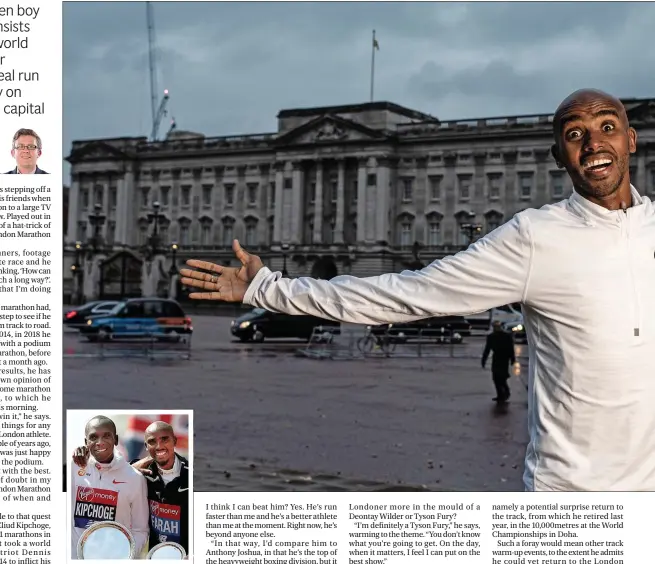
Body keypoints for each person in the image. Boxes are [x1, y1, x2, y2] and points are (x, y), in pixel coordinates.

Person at [179, 89, 655, 492]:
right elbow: (403, 294)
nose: (594, 143)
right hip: (571, 497)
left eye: (608, 127)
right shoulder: (534, 238)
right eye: (575, 134)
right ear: (558, 156)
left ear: (631, 140)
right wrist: (267, 288)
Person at [70, 415, 150, 558]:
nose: (100, 442)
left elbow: (141, 530)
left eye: (106, 436)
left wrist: (125, 555)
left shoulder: (134, 478)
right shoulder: (74, 469)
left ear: (116, 440)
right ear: (85, 442)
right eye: (93, 437)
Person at [131, 421, 190, 554]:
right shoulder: (140, 473)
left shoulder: (191, 474)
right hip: (156, 555)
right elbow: (110, 479)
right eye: (152, 441)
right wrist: (131, 470)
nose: (159, 446)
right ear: (146, 446)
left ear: (174, 441)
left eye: (164, 439)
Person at [481, 321, 516, 403]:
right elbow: (487, 349)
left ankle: (505, 393)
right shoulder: (491, 337)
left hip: (504, 358)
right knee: (496, 377)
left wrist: (512, 358)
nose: (496, 328)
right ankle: (500, 395)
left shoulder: (506, 336)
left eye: (497, 326)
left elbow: (510, 348)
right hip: (497, 357)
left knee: (502, 377)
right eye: (495, 327)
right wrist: (484, 359)